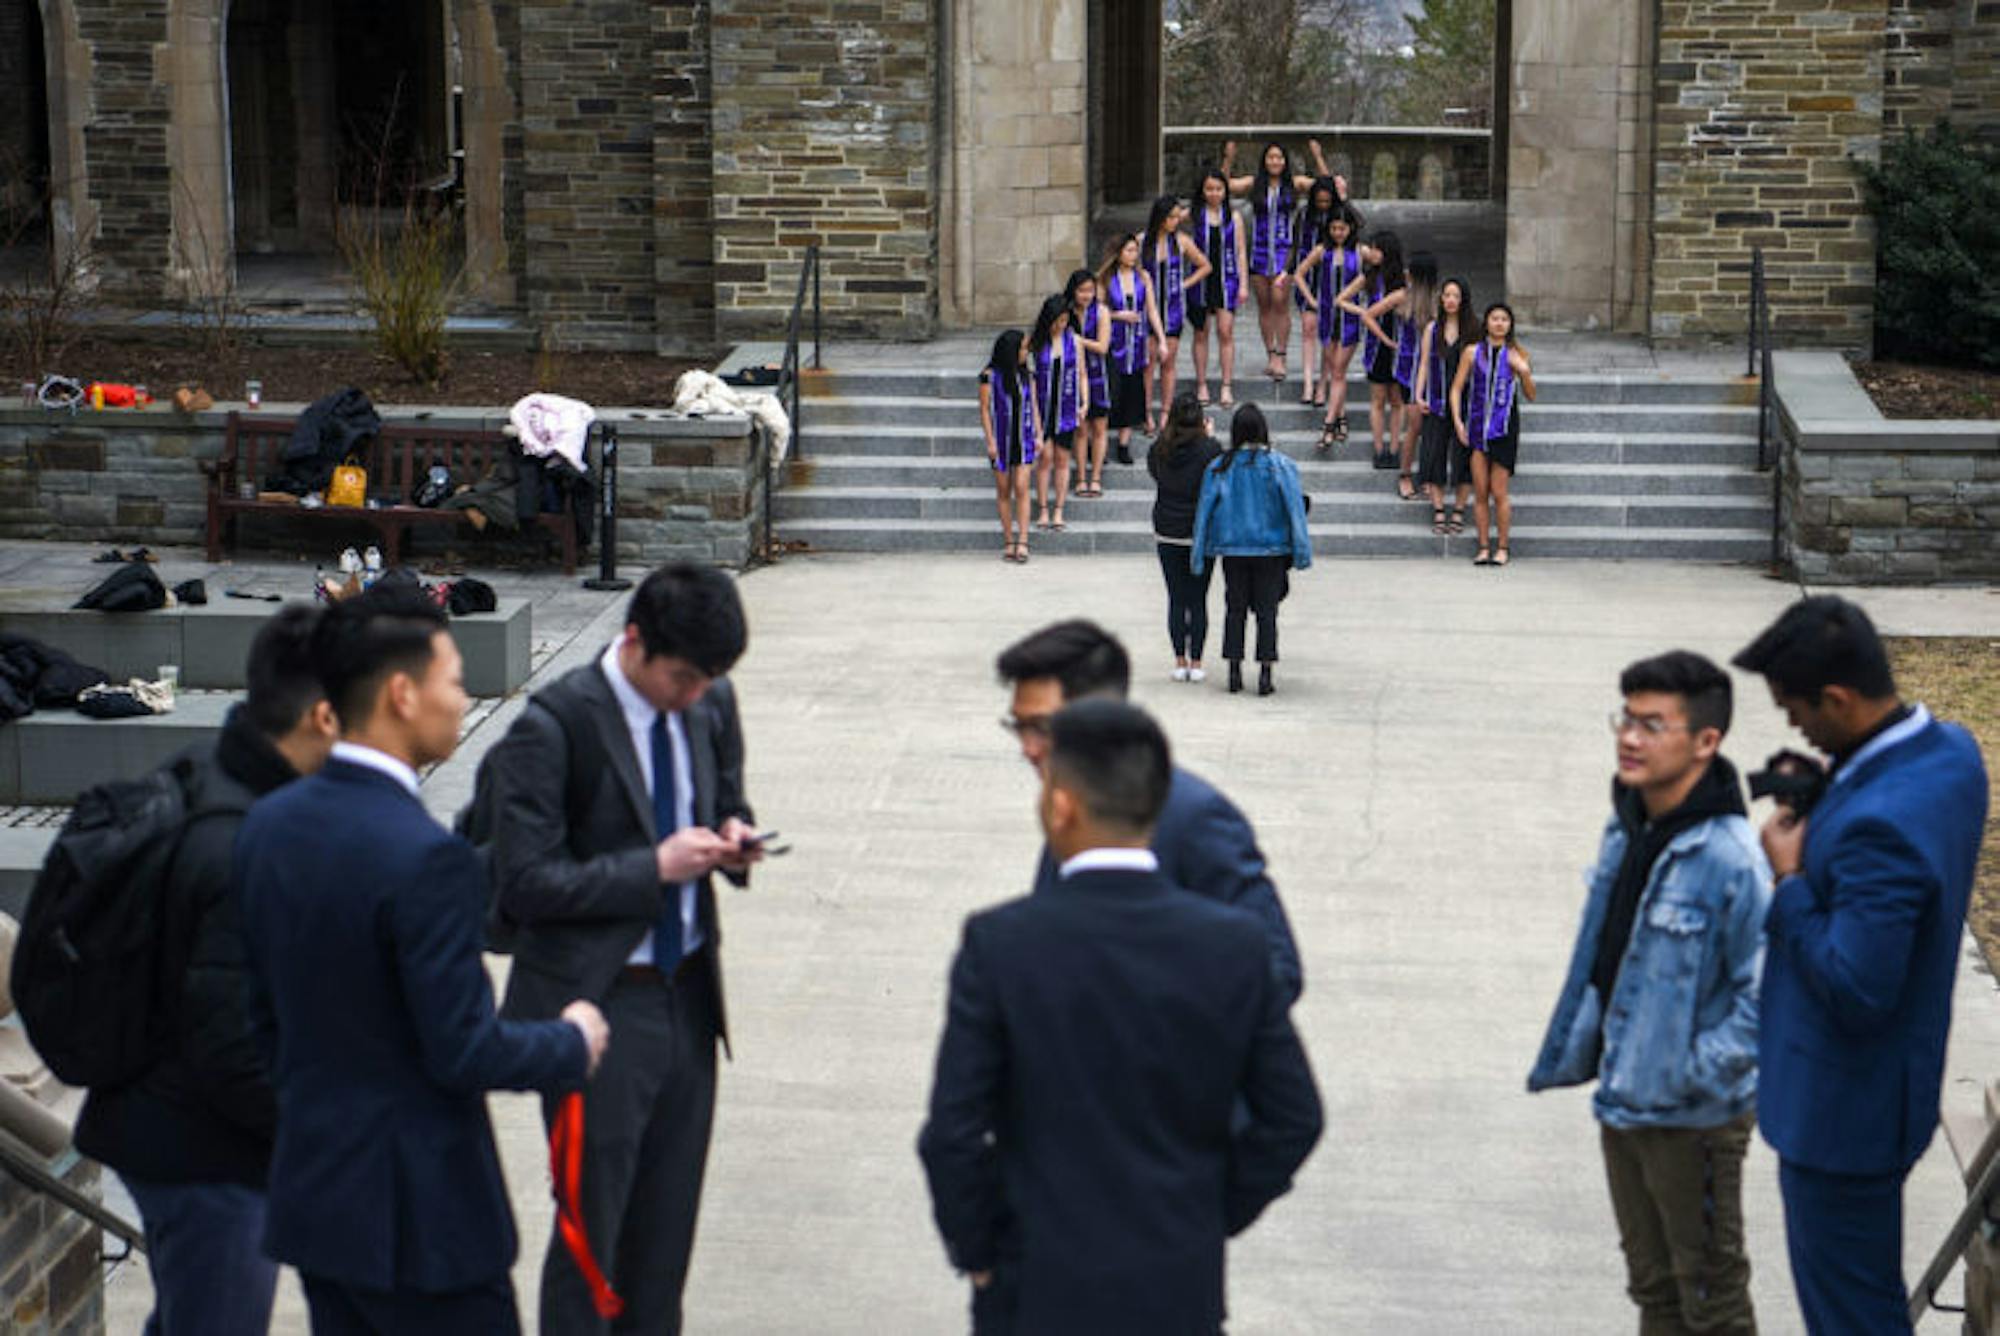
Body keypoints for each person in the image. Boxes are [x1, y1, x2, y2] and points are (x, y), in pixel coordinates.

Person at [235, 584, 609, 1333]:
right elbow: (463, 1047)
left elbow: (264, 1023)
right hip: (426, 1227)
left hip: (319, 1202)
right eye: (455, 681)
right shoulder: (425, 858)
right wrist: (569, 1042)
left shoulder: (268, 825)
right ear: (402, 694)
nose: (466, 700)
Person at [918, 700, 1324, 1336]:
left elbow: (952, 1131)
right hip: (1176, 1283)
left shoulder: (1001, 944)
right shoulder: (1234, 947)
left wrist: (981, 1253)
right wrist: (1208, 1213)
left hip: (1037, 1285)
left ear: (1063, 805)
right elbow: (1294, 1118)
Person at [486, 562, 762, 1336]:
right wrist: (655, 869)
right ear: (634, 641)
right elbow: (526, 883)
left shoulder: (711, 701)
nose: (695, 694)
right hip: (594, 1006)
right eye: (682, 678)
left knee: (664, 1241)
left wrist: (735, 836)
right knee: (592, 1241)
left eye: (710, 679)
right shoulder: (556, 724)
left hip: (689, 998)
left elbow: (727, 797)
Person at [73, 605, 337, 1336]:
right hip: (201, 1156)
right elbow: (233, 1046)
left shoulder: (211, 768)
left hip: (161, 1123)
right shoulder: (241, 844)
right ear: (322, 715)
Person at [1732, 597, 1989, 1335]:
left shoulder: (1881, 828)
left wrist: (1789, 880)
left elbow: (1856, 984)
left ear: (1839, 698)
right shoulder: (1950, 752)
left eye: (1797, 711)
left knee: (1851, 1315)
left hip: (1842, 1119)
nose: (1793, 727)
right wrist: (1829, 791)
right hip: (1886, 1095)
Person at [1528, 650, 1771, 1336]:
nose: (1630, 738)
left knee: (1712, 1299)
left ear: (1706, 741)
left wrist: (1692, 1072)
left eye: (1653, 724)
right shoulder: (1629, 825)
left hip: (1693, 1118)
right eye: (1626, 720)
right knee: (1653, 1290)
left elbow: (1768, 997)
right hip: (1624, 1096)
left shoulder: (1729, 857)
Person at [996, 619, 1303, 1004]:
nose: (1027, 748)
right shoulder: (1066, 811)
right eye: (1019, 727)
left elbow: (1276, 970)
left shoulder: (1194, 817)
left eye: (1040, 727)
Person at [1192, 404, 1313, 698]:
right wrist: (1301, 551)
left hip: (1233, 548)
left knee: (1235, 609)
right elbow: (1295, 510)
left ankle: (1234, 668)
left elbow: (1204, 512)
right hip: (1270, 549)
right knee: (1266, 612)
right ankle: (1265, 672)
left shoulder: (1220, 467)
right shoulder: (1280, 465)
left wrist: (1199, 553)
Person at [1220, 138, 1334, 384]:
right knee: (1264, 305)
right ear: (1264, 160)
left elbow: (1328, 186)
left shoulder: (1294, 184)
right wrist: (1228, 158)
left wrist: (1317, 157)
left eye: (1279, 157)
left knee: (1280, 302)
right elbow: (1222, 186)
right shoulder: (1255, 183)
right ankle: (1270, 354)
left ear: (1285, 161)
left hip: (1285, 252)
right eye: (1270, 157)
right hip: (1259, 252)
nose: (1275, 161)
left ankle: (1281, 355)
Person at [1451, 301, 1537, 568]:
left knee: (1499, 491)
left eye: (1504, 319)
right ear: (1486, 322)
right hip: (1477, 428)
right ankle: (1483, 547)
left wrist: (1523, 372)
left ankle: (1502, 547)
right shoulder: (1472, 352)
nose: (1499, 323)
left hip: (1504, 428)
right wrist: (1458, 422)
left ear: (1510, 325)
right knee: (1480, 491)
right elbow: (1456, 389)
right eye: (1494, 318)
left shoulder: (1517, 353)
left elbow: (1531, 395)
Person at [1147, 392, 1224, 684]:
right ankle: (1197, 661)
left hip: (1167, 527)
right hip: (1199, 530)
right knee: (1198, 597)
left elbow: (1157, 475)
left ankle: (1179, 660)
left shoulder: (1159, 449)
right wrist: (1210, 438)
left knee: (1176, 597)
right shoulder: (1211, 449)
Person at [1337, 231, 1408, 479]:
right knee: (1378, 399)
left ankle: (1395, 447)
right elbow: (1341, 299)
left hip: (1400, 344)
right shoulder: (1369, 277)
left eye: (1377, 249)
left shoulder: (1402, 279)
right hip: (1377, 345)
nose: (1372, 253)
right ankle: (1379, 449)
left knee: (1397, 400)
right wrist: (1363, 310)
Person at [1293, 205, 1364, 453]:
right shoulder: (1322, 251)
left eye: (1342, 228)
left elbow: (1378, 270)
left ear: (1350, 228)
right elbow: (1299, 273)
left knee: (1338, 372)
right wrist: (1311, 300)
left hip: (1349, 319)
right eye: (1333, 228)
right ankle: (1341, 418)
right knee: (1336, 371)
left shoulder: (1359, 251)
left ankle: (1328, 425)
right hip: (1326, 317)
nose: (1338, 233)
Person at [1143, 195, 1211, 431]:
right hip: (1148, 311)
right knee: (1148, 363)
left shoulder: (1181, 241)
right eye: (1171, 217)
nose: (1175, 221)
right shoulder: (1143, 242)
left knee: (1168, 361)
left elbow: (1205, 265)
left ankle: (1165, 411)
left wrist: (1184, 283)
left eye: (1176, 216)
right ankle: (1146, 412)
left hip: (1172, 309)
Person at [1097, 233, 1166, 468]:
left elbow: (1152, 310)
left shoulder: (1143, 277)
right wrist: (1118, 315)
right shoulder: (1105, 279)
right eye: (1128, 250)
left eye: (1135, 250)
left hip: (1136, 344)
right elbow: (1097, 311)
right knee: (1111, 392)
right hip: (1113, 342)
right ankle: (1100, 443)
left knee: (1131, 391)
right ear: (1118, 253)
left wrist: (1162, 339)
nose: (1133, 255)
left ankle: (1124, 444)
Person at [1412, 276, 1472, 538]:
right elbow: (1424, 362)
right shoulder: (1432, 329)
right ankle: (1438, 509)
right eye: (1446, 295)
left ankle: (1458, 509)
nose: (1450, 300)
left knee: (1463, 458)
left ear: (1463, 300)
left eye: (1455, 296)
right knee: (1433, 454)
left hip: (1467, 406)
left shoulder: (1473, 331)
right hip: (1435, 401)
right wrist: (1418, 393)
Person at [1185, 170, 1247, 409]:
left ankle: (1226, 385)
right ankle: (1201, 383)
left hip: (1227, 279)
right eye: (1210, 189)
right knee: (1201, 332)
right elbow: (1166, 221)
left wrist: (1243, 284)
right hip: (1200, 279)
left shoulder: (1235, 217)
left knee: (1225, 331)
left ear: (1225, 191)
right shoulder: (1194, 214)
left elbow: (1241, 251)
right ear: (1203, 190)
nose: (1214, 193)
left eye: (1218, 189)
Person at [1029, 293, 1087, 533]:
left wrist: (1085, 402)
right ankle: (1043, 509)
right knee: (1045, 459)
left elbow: (1082, 373)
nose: (1061, 325)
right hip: (1043, 408)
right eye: (1057, 321)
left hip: (1067, 407)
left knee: (1063, 459)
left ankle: (1059, 510)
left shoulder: (1074, 341)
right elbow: (1029, 381)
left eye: (1065, 320)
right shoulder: (1035, 343)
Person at [979, 329, 1038, 564]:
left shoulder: (1027, 376)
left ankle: (1023, 540)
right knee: (1004, 490)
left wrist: (1039, 433)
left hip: (1024, 438)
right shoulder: (988, 376)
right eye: (1023, 348)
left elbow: (1033, 405)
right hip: (1001, 440)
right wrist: (990, 441)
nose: (1026, 352)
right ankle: (1008, 540)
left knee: (1022, 486)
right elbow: (984, 409)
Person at [1289, 177, 1345, 408]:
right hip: (1307, 277)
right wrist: (1287, 271)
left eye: (1327, 201)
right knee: (1308, 329)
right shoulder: (1304, 216)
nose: (1323, 204)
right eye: (1319, 200)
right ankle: (1308, 383)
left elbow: (1356, 228)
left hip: (1331, 279)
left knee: (1328, 335)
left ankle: (1323, 383)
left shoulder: (1340, 215)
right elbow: (1295, 245)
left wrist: (1343, 200)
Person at [1390, 250, 1438, 501]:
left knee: (1431, 428)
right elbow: (1370, 312)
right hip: (1408, 371)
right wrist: (1389, 341)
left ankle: (1428, 475)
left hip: (1434, 373)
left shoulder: (1438, 301)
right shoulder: (1403, 297)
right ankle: (1406, 473)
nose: (1405, 273)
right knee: (1415, 425)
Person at [1066, 269, 1113, 499]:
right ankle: (1081, 478)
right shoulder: (1066, 312)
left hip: (1099, 375)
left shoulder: (1102, 311)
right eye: (1082, 290)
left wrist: (1077, 340)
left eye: (1090, 290)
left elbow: (1103, 347)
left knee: (1099, 429)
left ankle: (1096, 478)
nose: (1086, 295)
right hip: (1072, 375)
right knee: (1080, 430)